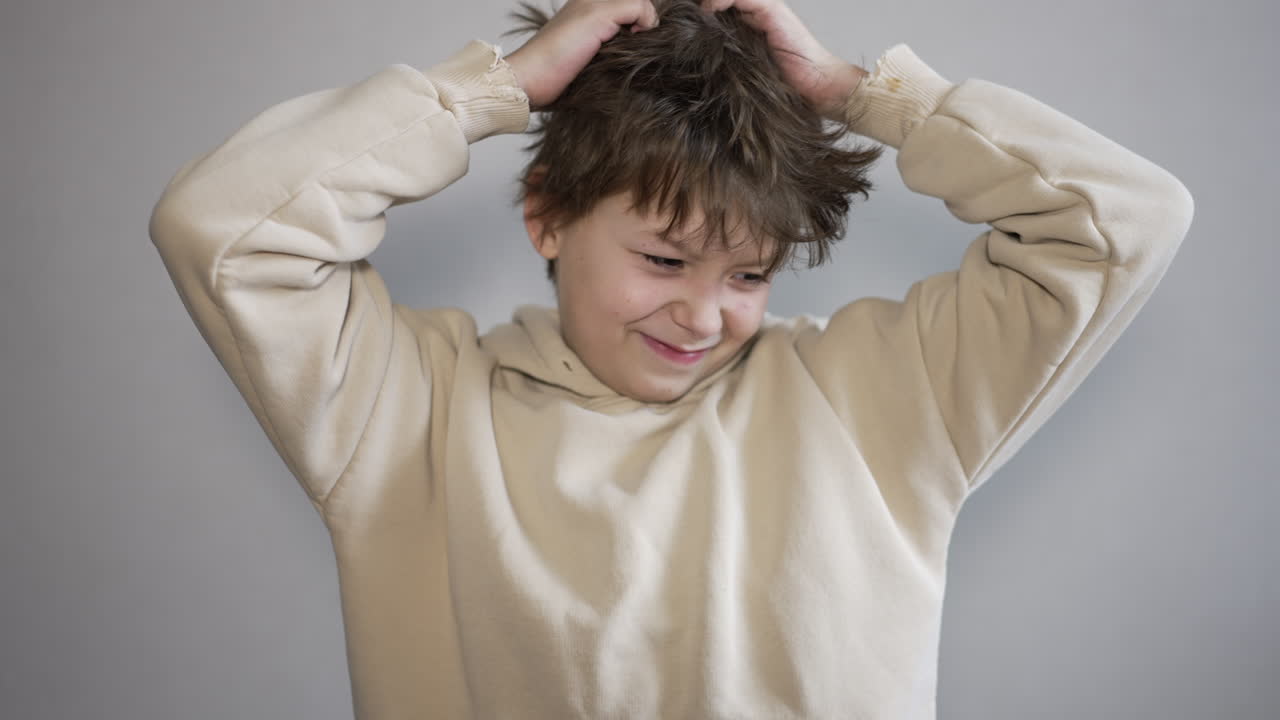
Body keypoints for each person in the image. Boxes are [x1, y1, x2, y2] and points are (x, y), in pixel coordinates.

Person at [148, 0, 1194, 717]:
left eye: (747, 275)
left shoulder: (886, 398)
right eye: (662, 257)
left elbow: (1123, 219)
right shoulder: (399, 411)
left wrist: (852, 91)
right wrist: (497, 88)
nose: (702, 315)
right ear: (547, 217)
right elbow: (220, 226)